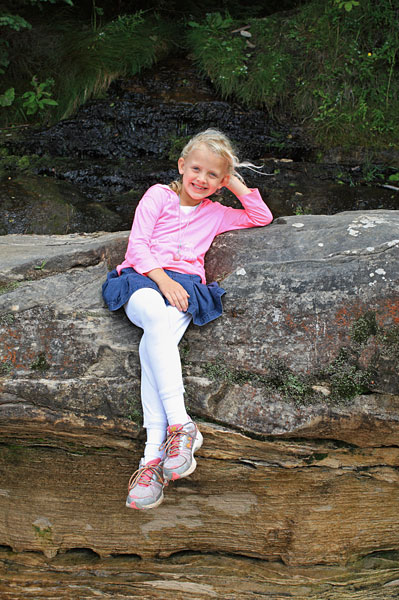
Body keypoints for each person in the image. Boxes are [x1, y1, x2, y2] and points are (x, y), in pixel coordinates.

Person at [102, 129, 273, 510]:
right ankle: (182, 425)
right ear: (181, 166)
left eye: (214, 175)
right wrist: (161, 279)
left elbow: (261, 217)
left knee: (154, 339)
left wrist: (236, 185)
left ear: (222, 181)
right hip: (144, 279)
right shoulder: (158, 196)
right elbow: (138, 246)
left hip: (185, 286)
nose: (202, 179)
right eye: (196, 169)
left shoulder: (215, 212)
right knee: (153, 316)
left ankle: (151, 462)